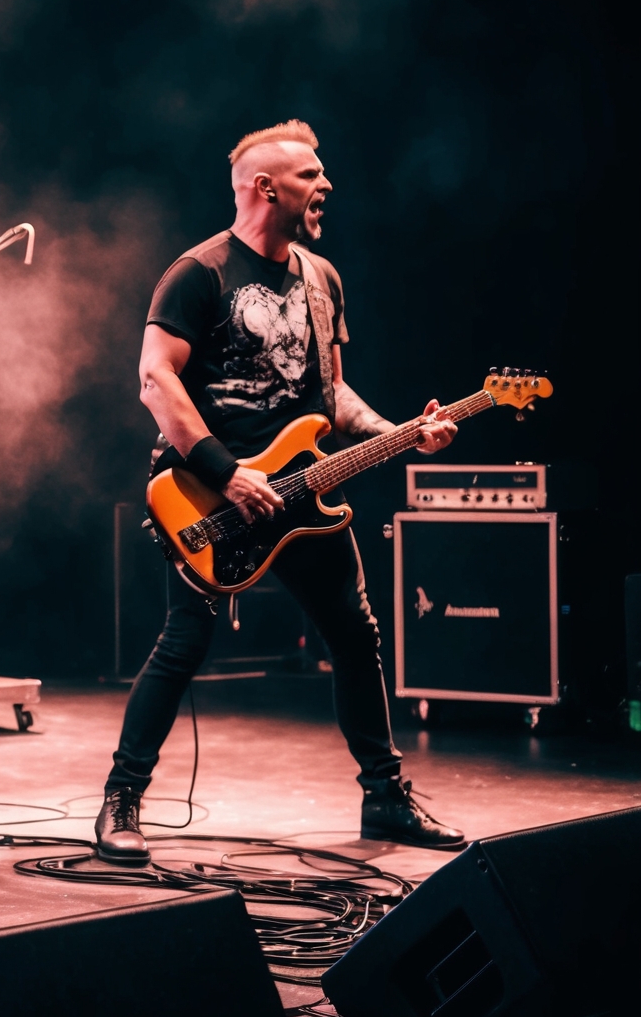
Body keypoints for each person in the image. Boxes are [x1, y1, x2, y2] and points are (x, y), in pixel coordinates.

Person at [96, 120, 465, 864]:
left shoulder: (322, 278)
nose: (326, 185)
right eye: (310, 175)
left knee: (356, 637)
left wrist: (399, 431)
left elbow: (331, 396)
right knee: (185, 642)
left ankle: (385, 799)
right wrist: (227, 473)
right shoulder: (198, 274)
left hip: (305, 494)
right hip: (212, 493)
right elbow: (154, 379)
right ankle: (121, 798)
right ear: (267, 188)